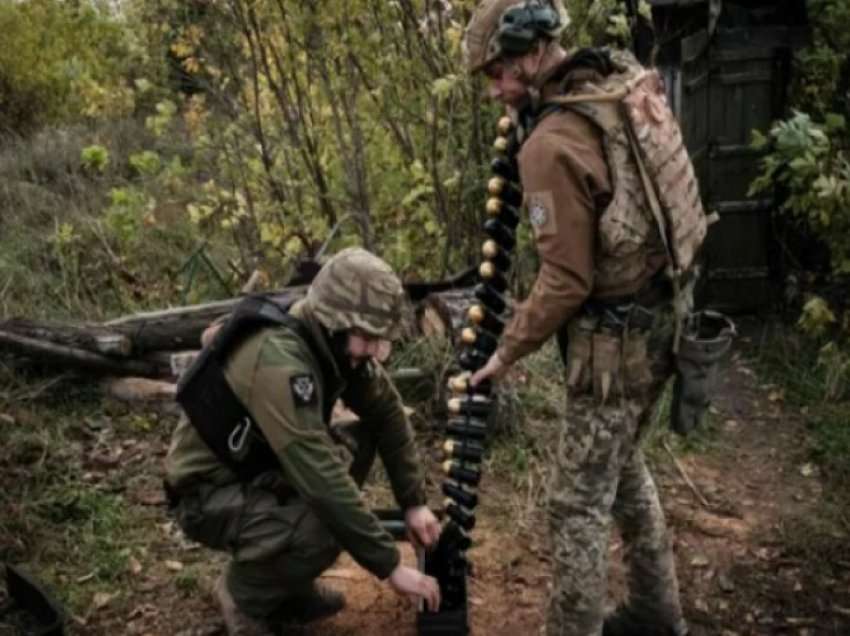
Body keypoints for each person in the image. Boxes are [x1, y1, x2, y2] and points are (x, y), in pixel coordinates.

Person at [463, 1, 697, 635]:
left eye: (499, 73)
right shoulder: (611, 79)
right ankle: (655, 611)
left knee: (574, 506)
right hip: (663, 317)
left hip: (614, 347)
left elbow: (566, 280)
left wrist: (507, 349)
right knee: (621, 468)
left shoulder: (551, 143)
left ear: (535, 53)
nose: (495, 90)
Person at [164, 247, 442, 636]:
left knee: (351, 452)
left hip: (255, 469)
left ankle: (286, 586)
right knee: (327, 522)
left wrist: (413, 503)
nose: (374, 350)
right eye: (367, 337)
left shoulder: (333, 343)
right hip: (206, 492)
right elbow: (321, 482)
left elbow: (388, 414)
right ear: (335, 321)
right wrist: (390, 565)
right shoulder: (280, 359)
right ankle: (245, 597)